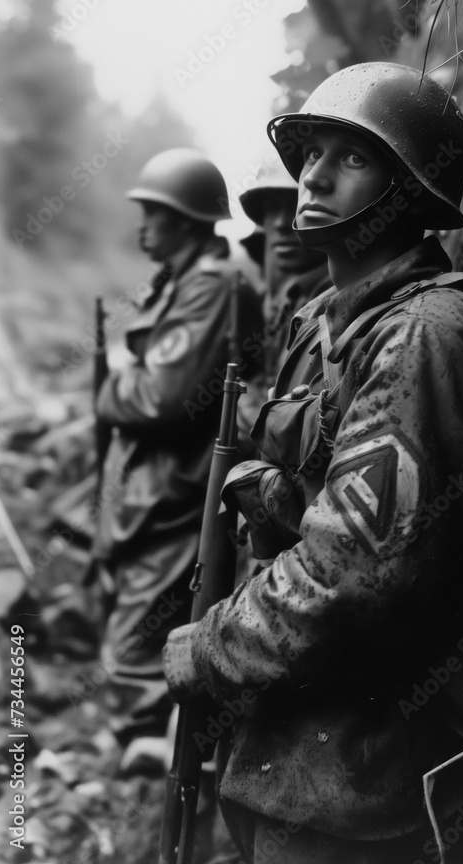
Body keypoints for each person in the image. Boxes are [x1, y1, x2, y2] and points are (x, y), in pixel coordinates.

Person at [163, 65, 463, 863]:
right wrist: (270, 492)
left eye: (352, 157)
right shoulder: (325, 323)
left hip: (362, 784)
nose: (313, 173)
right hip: (287, 761)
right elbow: (337, 482)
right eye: (311, 151)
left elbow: (351, 577)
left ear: (410, 185)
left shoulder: (426, 335)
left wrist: (203, 652)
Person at [94, 147, 263, 761]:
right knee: (136, 639)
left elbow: (162, 398)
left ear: (189, 218)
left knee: (141, 651)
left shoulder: (212, 286)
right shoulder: (183, 282)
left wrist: (112, 383)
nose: (142, 225)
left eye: (154, 213)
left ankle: (149, 777)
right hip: (155, 497)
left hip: (177, 498)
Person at [239, 162, 330, 386]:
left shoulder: (331, 302)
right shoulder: (285, 298)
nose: (280, 223)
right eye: (271, 208)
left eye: (293, 205)